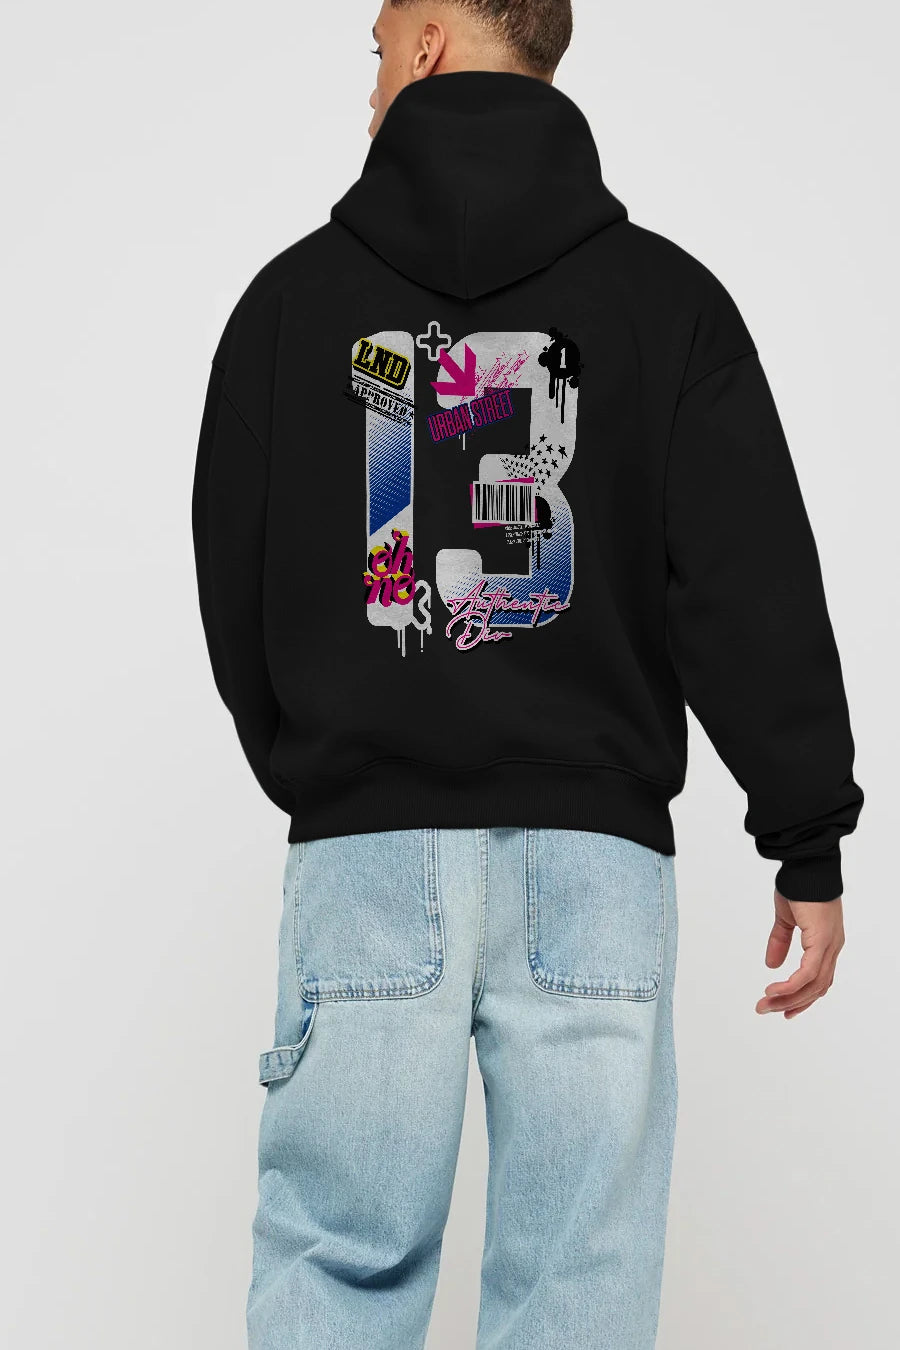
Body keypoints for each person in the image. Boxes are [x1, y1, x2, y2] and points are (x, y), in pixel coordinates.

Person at [191, 3, 864, 1346]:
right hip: (594, 869)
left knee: (337, 1266)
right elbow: (747, 580)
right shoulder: (668, 303)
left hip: (367, 855)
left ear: (432, 42)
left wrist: (337, 765)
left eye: (380, 43)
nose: (371, 75)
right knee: (578, 1291)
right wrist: (807, 836)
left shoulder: (290, 304)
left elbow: (234, 576)